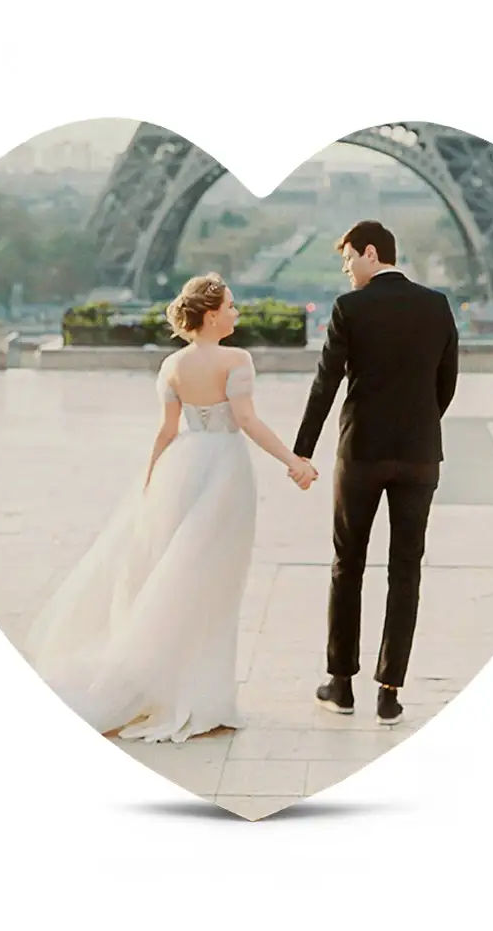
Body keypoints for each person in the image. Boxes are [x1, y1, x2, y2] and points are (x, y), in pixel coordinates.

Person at [20, 273, 318, 743]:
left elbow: (165, 431)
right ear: (212, 313)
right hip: (223, 467)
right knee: (213, 583)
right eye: (232, 307)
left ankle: (162, 686)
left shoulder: (172, 364)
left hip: (182, 466)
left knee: (174, 578)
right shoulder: (236, 359)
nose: (237, 314)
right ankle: (202, 696)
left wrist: (150, 481)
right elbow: (245, 420)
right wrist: (293, 461)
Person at [292, 220, 459, 726]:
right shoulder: (437, 305)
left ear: (370, 252)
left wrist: (303, 451)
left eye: (347, 260)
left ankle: (341, 685)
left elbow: (325, 385)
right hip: (419, 455)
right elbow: (446, 383)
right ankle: (389, 691)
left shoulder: (351, 309)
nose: (346, 271)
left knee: (348, 565)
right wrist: (420, 427)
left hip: (360, 452)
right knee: (406, 571)